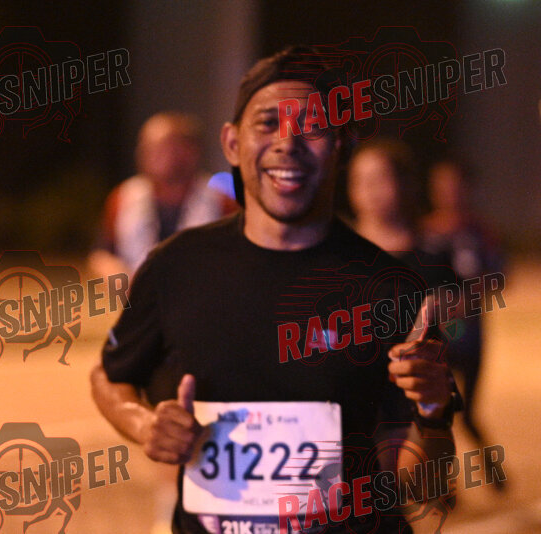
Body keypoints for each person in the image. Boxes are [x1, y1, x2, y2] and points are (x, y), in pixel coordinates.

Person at [91, 47, 458, 534]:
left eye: (313, 127)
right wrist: (142, 425)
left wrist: (433, 410)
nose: (288, 143)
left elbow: (425, 486)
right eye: (268, 123)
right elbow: (110, 373)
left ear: (342, 144)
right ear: (231, 143)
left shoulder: (388, 288)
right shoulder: (175, 267)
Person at [420, 158, 505, 490]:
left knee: (468, 414)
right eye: (442, 186)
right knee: (438, 413)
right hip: (437, 339)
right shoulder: (424, 231)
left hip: (470, 337)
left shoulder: (480, 232)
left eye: (455, 186)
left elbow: (501, 277)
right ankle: (444, 486)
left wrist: (468, 298)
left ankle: (491, 468)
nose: (449, 193)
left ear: (468, 189)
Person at [88, 111, 236, 277]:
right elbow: (101, 253)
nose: (152, 154)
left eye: (164, 146)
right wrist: (117, 274)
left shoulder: (221, 200)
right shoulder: (124, 197)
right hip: (137, 290)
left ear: (192, 151)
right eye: (147, 146)